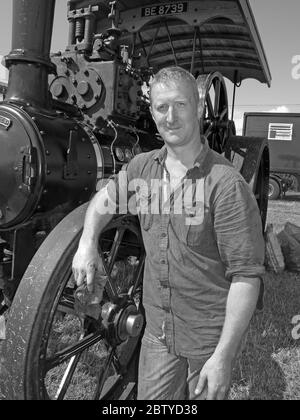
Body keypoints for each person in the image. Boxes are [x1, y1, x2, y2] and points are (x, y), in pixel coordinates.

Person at [72, 66, 265, 400]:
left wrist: (224, 356)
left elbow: (246, 277)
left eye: (181, 105)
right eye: (162, 107)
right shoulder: (141, 167)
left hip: (207, 340)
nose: (171, 117)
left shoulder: (226, 185)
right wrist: (88, 242)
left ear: (200, 109)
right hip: (158, 333)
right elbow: (103, 201)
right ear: (152, 113)